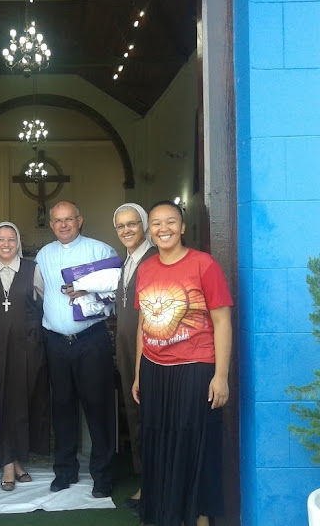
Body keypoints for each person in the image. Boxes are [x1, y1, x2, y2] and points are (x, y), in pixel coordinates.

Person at [132, 200, 232, 526]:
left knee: (194, 442)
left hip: (195, 368)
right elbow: (143, 324)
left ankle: (199, 517)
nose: (164, 229)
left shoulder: (204, 264)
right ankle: (166, 514)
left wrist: (221, 376)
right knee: (158, 441)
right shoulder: (146, 269)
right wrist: (138, 373)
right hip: (154, 369)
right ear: (150, 230)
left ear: (183, 227)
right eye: (156, 223)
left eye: (171, 221)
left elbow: (222, 322)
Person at [35, 200, 121, 498]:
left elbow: (119, 290)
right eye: (58, 220)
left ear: (79, 220)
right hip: (56, 342)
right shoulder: (44, 254)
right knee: (62, 407)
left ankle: (103, 475)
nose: (63, 225)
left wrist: (87, 290)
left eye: (69, 219)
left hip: (91, 340)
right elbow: (39, 290)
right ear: (51, 224)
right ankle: (65, 470)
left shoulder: (101, 251)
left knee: (98, 407)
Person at [0, 221, 50, 491]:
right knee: (2, 403)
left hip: (27, 349)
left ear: (18, 243)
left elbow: (47, 304)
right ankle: (8, 465)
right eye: (0, 239)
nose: (6, 244)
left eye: (11, 239)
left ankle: (17, 460)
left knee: (22, 404)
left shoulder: (33, 269)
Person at [112, 203, 157, 513]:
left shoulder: (153, 259)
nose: (126, 230)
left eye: (132, 224)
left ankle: (153, 485)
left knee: (149, 415)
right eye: (121, 225)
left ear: (144, 226)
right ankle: (146, 479)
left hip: (148, 351)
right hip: (127, 349)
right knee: (135, 412)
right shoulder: (128, 260)